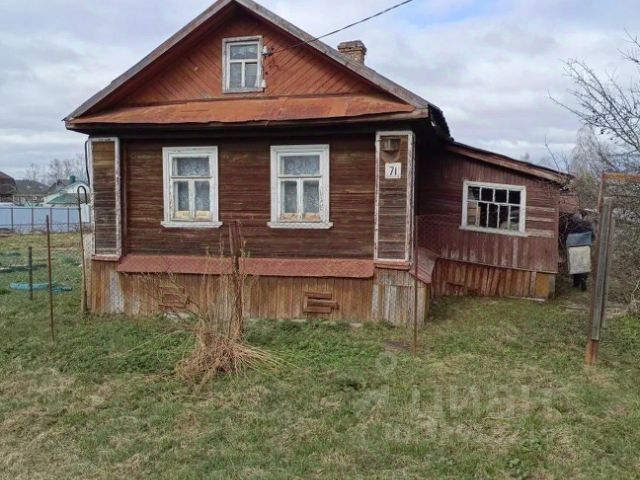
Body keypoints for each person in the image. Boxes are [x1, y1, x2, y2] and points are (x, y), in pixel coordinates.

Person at [566, 212, 595, 291]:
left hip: (574, 248)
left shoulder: (571, 226)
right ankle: (583, 278)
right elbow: (593, 237)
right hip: (585, 247)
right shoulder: (588, 227)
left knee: (575, 266)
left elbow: (567, 236)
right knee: (585, 265)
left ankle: (576, 283)